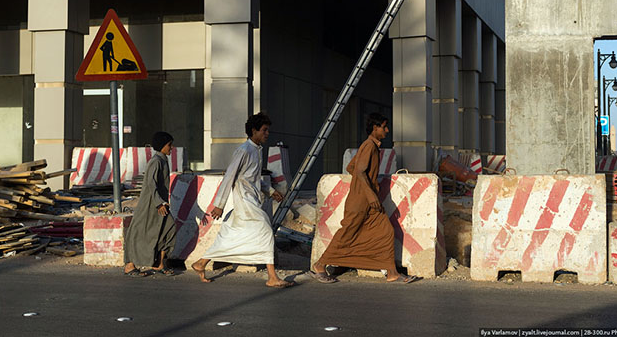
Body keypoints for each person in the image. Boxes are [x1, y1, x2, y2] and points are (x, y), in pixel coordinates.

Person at [311, 113, 418, 284]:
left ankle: (392, 273)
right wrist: (369, 194)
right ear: (375, 128)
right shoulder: (369, 146)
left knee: (385, 231)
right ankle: (319, 265)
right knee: (347, 233)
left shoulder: (370, 146)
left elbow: (351, 166)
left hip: (367, 199)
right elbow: (359, 170)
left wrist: (366, 186)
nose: (387, 130)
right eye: (384, 127)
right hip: (362, 201)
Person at [190, 113, 294, 288]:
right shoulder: (244, 150)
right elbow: (230, 176)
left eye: (268, 130)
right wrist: (219, 205)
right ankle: (272, 277)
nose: (267, 133)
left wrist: (270, 191)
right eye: (264, 130)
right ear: (254, 131)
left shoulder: (256, 151)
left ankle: (201, 263)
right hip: (244, 201)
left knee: (230, 234)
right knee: (267, 232)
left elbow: (253, 178)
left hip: (252, 198)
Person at [123, 131, 177, 276]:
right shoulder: (156, 161)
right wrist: (159, 203)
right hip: (150, 203)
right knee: (138, 231)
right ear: (161, 146)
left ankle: (159, 264)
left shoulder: (163, 160)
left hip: (160, 203)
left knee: (169, 228)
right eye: (169, 145)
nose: (171, 148)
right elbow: (151, 184)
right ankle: (130, 264)